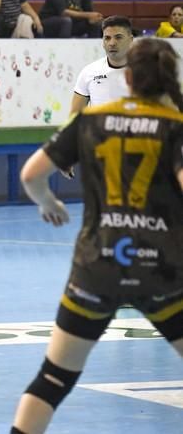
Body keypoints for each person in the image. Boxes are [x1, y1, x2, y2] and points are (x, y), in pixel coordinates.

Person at [10, 37, 183, 434]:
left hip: (97, 267)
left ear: (129, 80)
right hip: (162, 271)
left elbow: (31, 175)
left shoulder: (90, 121)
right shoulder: (175, 128)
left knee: (54, 378)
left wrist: (48, 203)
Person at [71, 16, 133, 114]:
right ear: (103, 42)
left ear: (130, 40)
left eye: (118, 37)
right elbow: (74, 117)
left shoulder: (145, 73)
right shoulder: (89, 72)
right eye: (107, 38)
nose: (112, 43)